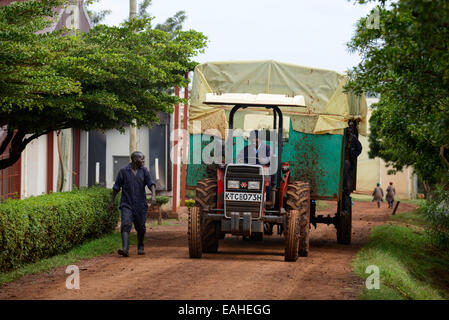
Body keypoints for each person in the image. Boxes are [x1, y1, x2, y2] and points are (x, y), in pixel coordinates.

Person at [110, 151, 156, 257]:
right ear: (135, 160)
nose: (143, 161)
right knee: (125, 224)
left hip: (140, 205)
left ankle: (140, 245)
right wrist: (112, 201)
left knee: (141, 227)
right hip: (126, 204)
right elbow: (116, 188)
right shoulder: (123, 171)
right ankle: (125, 249)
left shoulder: (144, 171)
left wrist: (153, 196)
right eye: (141, 159)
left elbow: (151, 184)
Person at [343, 120, 363, 196]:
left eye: (350, 128)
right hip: (338, 160)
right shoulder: (341, 136)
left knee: (346, 173)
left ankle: (346, 191)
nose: (349, 129)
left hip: (347, 160)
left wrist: (353, 155)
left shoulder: (353, 138)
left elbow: (359, 148)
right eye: (348, 127)